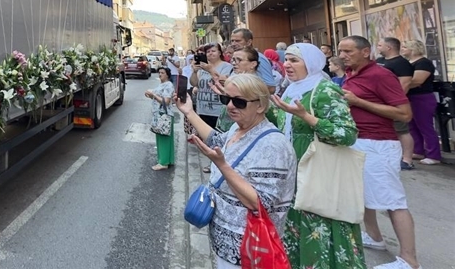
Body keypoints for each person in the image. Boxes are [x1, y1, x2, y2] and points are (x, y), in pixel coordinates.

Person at [177, 74, 297, 269]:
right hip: (228, 244)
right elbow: (218, 142)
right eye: (226, 99)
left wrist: (222, 166)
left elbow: (261, 204)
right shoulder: (239, 127)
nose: (230, 106)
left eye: (239, 102)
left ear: (260, 105)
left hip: (248, 249)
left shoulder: (273, 146)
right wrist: (189, 112)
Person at [269, 44, 365, 269]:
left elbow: (347, 134)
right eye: (287, 60)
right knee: (295, 228)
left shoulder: (325, 90)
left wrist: (308, 117)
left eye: (294, 60)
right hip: (295, 175)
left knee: (318, 225)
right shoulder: (291, 89)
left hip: (318, 173)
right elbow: (283, 124)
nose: (287, 64)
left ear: (310, 63)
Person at [339, 36, 421, 269]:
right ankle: (375, 237)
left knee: (393, 201)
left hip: (379, 144)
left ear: (366, 52)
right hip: (359, 141)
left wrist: (359, 102)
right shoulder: (352, 73)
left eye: (348, 51)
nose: (343, 55)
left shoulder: (381, 75)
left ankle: (410, 259)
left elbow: (404, 114)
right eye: (340, 51)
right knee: (364, 195)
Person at [376, 37, 416, 170]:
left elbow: (404, 85)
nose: (378, 47)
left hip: (394, 104)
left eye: (380, 45)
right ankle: (391, 156)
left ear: (389, 47)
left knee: (401, 131)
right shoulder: (379, 61)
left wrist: (394, 103)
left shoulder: (401, 63)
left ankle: (407, 159)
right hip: (379, 103)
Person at [401, 40, 441, 165]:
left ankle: (433, 155)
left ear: (413, 48)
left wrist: (401, 85)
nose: (402, 49)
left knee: (425, 126)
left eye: (405, 47)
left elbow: (418, 80)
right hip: (410, 97)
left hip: (422, 97)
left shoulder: (423, 63)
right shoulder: (408, 63)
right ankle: (418, 150)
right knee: (412, 125)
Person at [216, 47, 262, 132]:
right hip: (226, 132)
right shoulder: (233, 80)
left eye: (239, 60)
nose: (234, 63)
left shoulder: (257, 86)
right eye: (233, 60)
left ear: (253, 64)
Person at [229, 28, 277, 94]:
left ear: (249, 42)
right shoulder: (235, 56)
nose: (233, 44)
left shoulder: (259, 58)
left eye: (238, 41)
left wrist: (245, 93)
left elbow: (271, 88)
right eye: (232, 41)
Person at [145, 67, 175, 171]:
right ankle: (167, 159)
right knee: (163, 137)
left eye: (162, 73)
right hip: (159, 114)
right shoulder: (162, 84)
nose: (160, 74)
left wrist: (153, 94)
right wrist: (151, 95)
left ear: (167, 75)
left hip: (163, 114)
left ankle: (163, 162)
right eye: (159, 72)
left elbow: (165, 101)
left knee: (163, 138)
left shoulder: (169, 85)